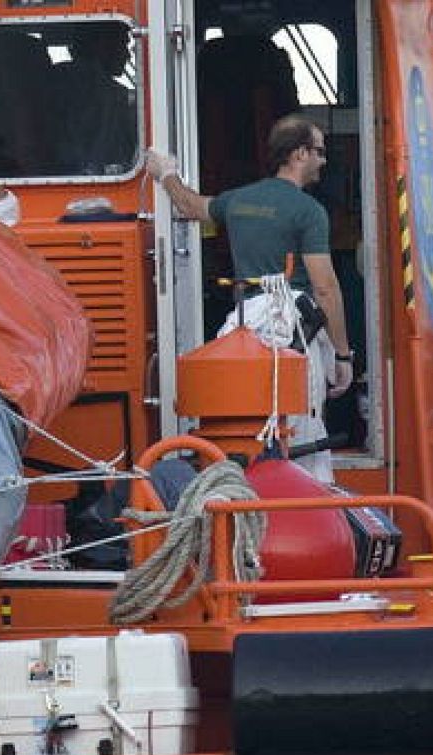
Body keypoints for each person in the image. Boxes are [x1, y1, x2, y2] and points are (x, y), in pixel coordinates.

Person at [147, 115, 352, 481]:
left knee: (244, 428)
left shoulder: (240, 200)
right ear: (300, 154)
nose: (324, 161)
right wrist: (342, 354)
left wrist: (165, 175)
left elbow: (192, 206)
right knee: (299, 428)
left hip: (244, 329)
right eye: (320, 152)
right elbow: (326, 288)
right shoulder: (309, 211)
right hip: (294, 332)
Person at [48, 23, 137, 175]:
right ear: (102, 46)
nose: (128, 55)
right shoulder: (106, 92)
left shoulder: (52, 79)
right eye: (123, 45)